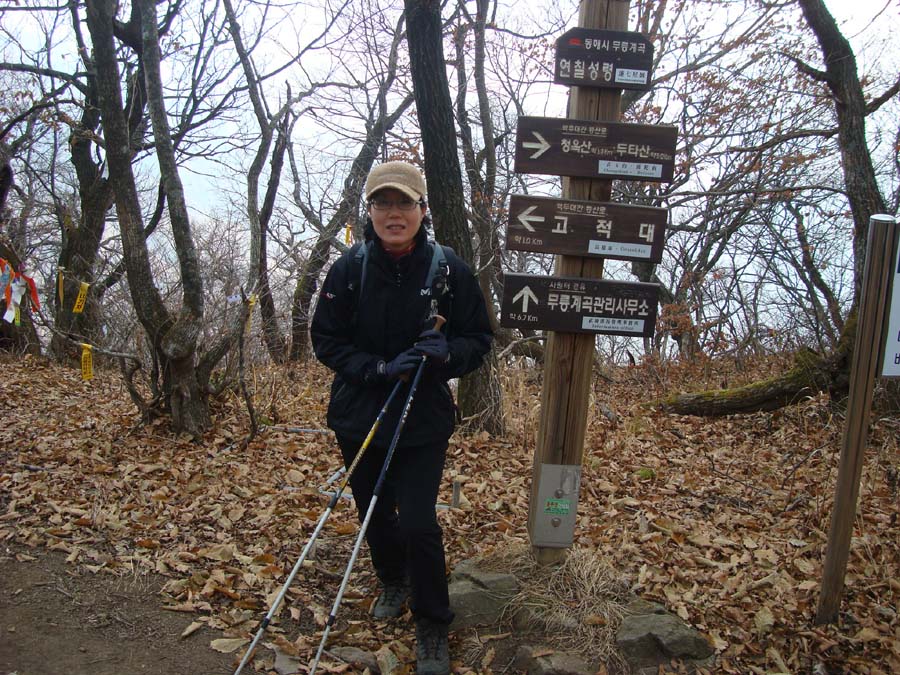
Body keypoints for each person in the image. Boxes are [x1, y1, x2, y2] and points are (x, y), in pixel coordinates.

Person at [310, 161, 492, 675]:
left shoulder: (449, 268)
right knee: (372, 510)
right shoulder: (349, 269)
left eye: (404, 203)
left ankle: (433, 624)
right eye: (383, 203)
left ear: (422, 210)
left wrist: (446, 356)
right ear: (368, 212)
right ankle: (392, 578)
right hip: (359, 413)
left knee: (417, 521)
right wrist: (378, 368)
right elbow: (325, 340)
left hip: (422, 418)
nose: (394, 213)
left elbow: (478, 339)